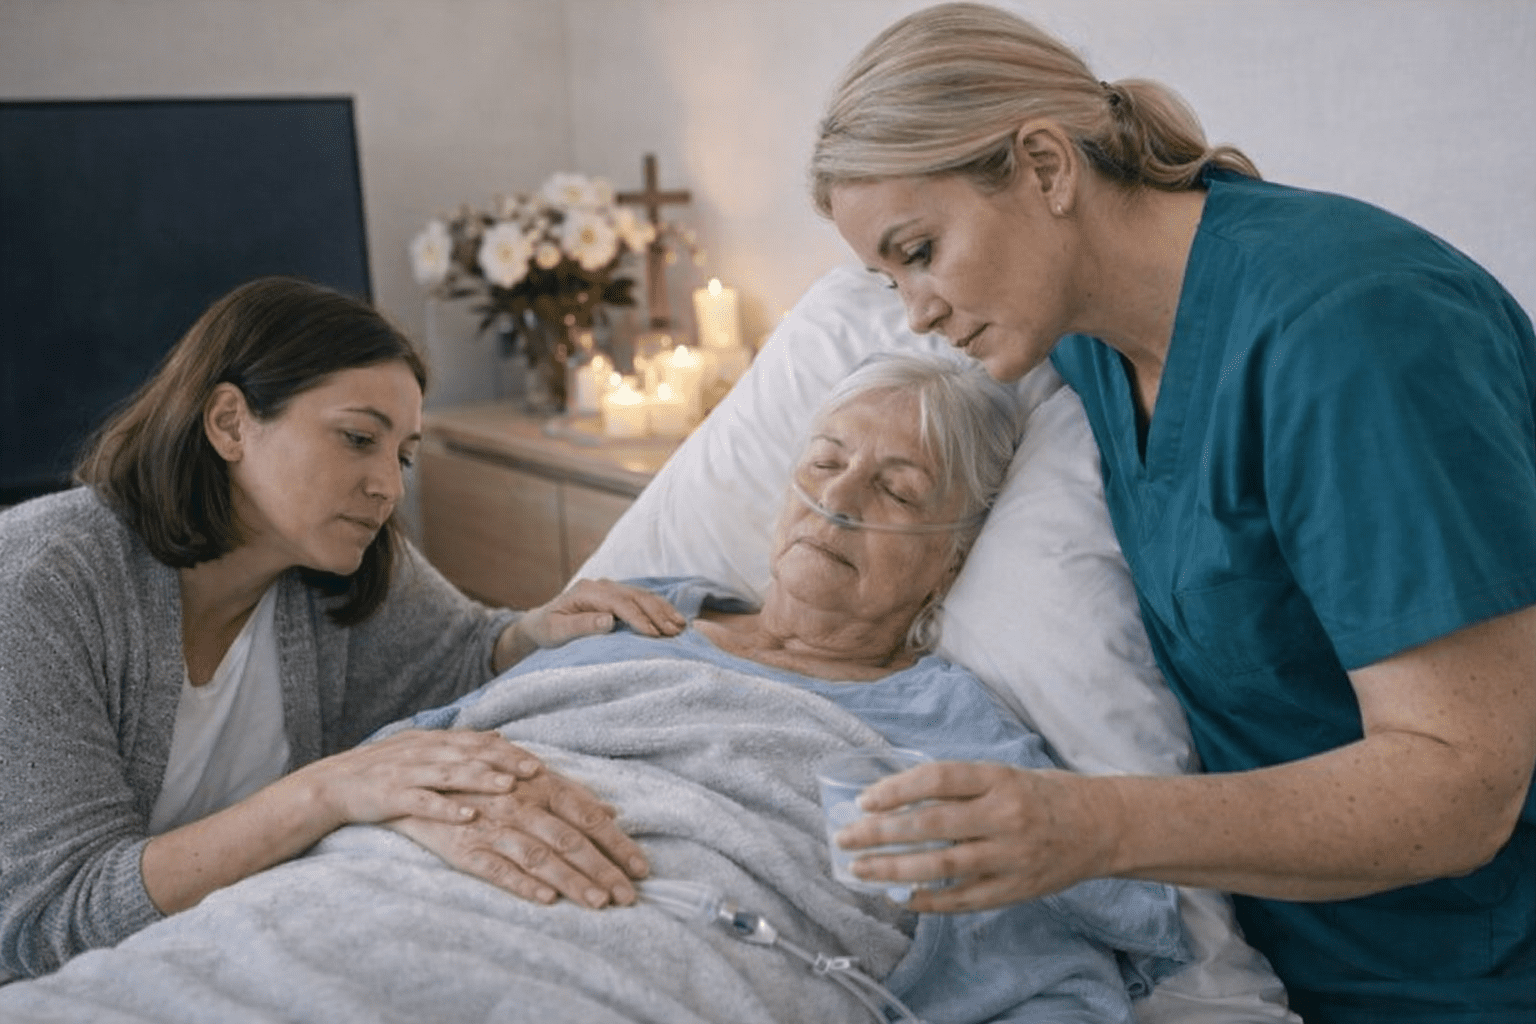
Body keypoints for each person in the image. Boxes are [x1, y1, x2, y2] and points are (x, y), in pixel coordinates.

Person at [0, 352, 1191, 1023]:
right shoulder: (640, 611)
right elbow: (447, 705)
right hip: (341, 906)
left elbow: (1046, 972)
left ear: (960, 547)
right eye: (825, 462)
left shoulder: (958, 733)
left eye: (897, 484)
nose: (838, 497)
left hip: (635, 967)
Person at [808, 5, 1536, 1023]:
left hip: (1464, 971)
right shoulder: (1091, 335)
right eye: (888, 277)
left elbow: (1464, 789)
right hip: (1267, 950)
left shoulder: (1350, 335)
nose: (914, 310)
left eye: (920, 249)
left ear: (1049, 168)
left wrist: (1089, 827)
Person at [0, 276, 688, 981]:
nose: (388, 486)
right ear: (230, 423)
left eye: (403, 455)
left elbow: (459, 655)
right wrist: (324, 793)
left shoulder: (337, 566)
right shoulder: (38, 589)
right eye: (357, 438)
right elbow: (50, 919)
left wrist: (533, 633)